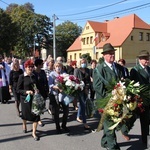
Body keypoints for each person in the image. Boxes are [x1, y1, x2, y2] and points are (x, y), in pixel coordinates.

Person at [93, 43, 129, 150]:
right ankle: (112, 146)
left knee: (111, 123)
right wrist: (111, 96)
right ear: (104, 55)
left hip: (118, 100)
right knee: (109, 124)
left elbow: (123, 80)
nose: (112, 56)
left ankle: (105, 142)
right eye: (109, 54)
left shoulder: (118, 67)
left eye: (113, 54)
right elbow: (97, 87)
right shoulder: (99, 69)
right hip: (106, 101)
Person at [130, 50, 150, 147]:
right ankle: (145, 140)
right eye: (145, 59)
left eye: (148, 59)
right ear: (140, 59)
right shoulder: (135, 70)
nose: (147, 61)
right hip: (142, 100)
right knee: (145, 120)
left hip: (149, 98)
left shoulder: (149, 69)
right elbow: (132, 85)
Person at [17, 59, 40, 141]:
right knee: (25, 114)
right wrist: (26, 92)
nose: (31, 68)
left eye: (32, 67)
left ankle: (34, 133)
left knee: (36, 115)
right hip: (25, 99)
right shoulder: (21, 77)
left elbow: (37, 85)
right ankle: (24, 124)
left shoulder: (34, 76)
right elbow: (18, 90)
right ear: (25, 67)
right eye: (29, 67)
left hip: (34, 99)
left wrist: (37, 90)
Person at [48, 61, 70, 134]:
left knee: (66, 111)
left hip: (63, 95)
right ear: (54, 67)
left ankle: (64, 125)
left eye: (59, 66)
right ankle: (57, 127)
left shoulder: (64, 74)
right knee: (56, 112)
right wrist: (57, 87)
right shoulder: (52, 74)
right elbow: (50, 85)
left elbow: (68, 82)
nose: (58, 68)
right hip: (55, 95)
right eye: (57, 66)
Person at [74, 58, 91, 129]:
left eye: (84, 62)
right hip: (79, 90)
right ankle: (85, 123)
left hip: (86, 89)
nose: (83, 64)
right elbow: (75, 80)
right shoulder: (77, 70)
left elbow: (88, 80)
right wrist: (83, 88)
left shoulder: (87, 70)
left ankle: (78, 116)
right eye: (82, 62)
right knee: (83, 105)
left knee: (82, 104)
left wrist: (87, 87)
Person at [33, 58, 49, 127]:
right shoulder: (34, 73)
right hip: (37, 91)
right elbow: (33, 83)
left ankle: (38, 117)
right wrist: (35, 90)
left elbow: (46, 81)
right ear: (38, 65)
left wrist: (47, 90)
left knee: (42, 105)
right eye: (42, 64)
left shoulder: (42, 72)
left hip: (43, 91)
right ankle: (38, 120)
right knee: (38, 106)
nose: (43, 64)